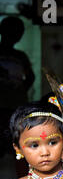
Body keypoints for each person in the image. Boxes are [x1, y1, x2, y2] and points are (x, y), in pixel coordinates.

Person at [0, 16, 35, 157]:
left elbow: (31, 77)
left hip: (15, 107)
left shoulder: (20, 56)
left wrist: (18, 92)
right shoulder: (20, 57)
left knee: (14, 145)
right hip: (10, 106)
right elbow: (30, 78)